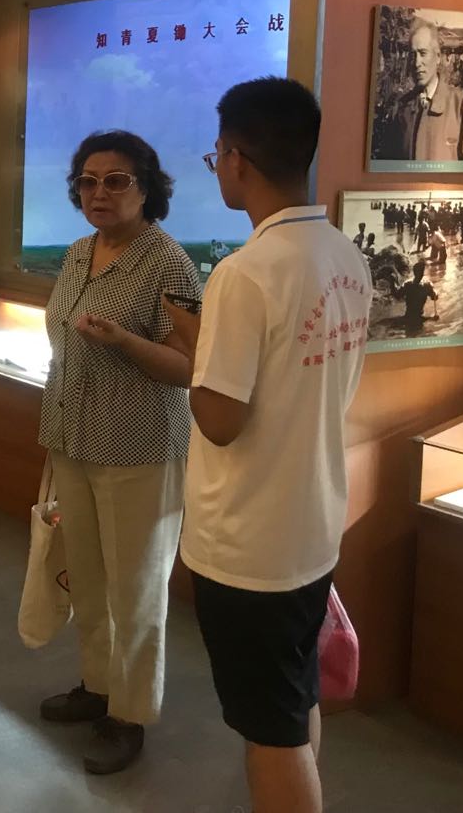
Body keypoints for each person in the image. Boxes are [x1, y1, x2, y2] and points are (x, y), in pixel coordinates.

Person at [161, 77, 371, 813]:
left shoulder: (245, 272)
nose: (217, 168)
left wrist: (197, 347)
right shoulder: (344, 254)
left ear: (236, 158)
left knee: (269, 733)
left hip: (249, 542)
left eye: (215, 155)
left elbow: (221, 419)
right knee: (293, 699)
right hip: (311, 525)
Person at [36, 130, 200, 776]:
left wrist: (125, 341)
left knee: (136, 591)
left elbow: (189, 365)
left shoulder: (168, 263)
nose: (98, 192)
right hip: (73, 438)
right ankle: (98, 684)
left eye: (116, 180)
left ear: (145, 187)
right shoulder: (80, 252)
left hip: (140, 448)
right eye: (88, 180)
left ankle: (129, 714)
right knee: (88, 577)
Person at [394, 19, 463, 162]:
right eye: (413, 55)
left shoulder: (457, 104)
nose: (417, 63)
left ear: (438, 57)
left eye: (423, 53)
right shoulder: (403, 107)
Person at [401, 260, 439, 335]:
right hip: (418, 317)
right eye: (421, 271)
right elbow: (434, 297)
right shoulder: (426, 285)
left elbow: (397, 295)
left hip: (409, 316)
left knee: (410, 334)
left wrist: (392, 284)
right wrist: (435, 292)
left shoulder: (407, 284)